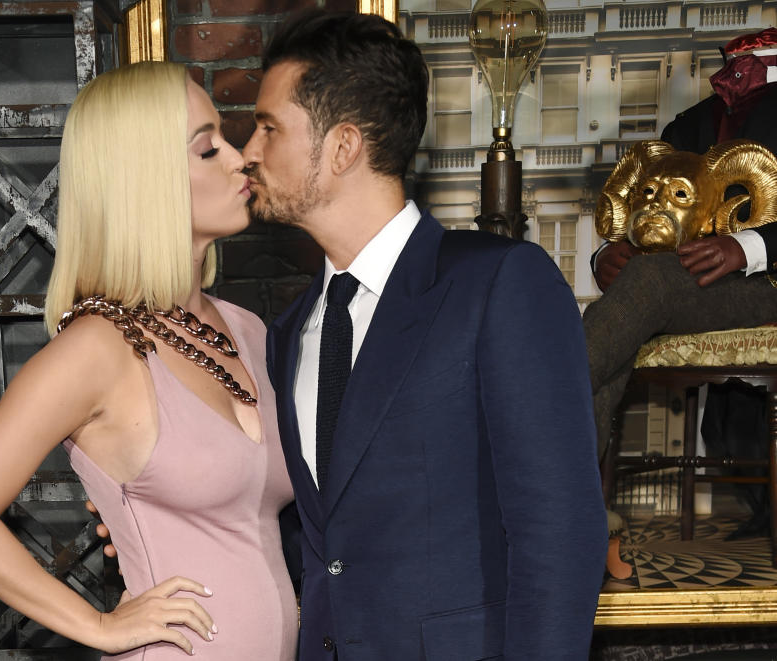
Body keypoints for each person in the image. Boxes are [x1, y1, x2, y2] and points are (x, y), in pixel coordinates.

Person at [243, 10, 608, 660]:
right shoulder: (290, 330)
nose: (249, 150)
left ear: (342, 146)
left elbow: (557, 529)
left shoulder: (498, 285)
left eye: (269, 128)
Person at [0, 62, 298, 660]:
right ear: (144, 181)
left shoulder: (244, 329)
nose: (239, 159)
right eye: (207, 149)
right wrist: (98, 626)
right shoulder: (96, 348)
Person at [587, 28, 777, 466]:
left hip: (769, 279)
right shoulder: (688, 124)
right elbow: (647, 204)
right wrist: (607, 253)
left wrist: (746, 247)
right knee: (625, 306)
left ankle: (535, 414)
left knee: (643, 287)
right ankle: (574, 502)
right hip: (676, 279)